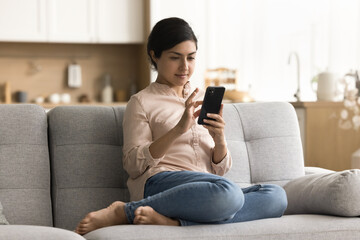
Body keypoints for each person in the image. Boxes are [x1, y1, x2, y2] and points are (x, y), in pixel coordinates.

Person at [75, 17, 287, 235]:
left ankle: (174, 223)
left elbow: (219, 171)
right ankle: (124, 212)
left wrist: (220, 139)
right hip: (162, 182)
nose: (185, 67)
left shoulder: (203, 98)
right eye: (175, 58)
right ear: (155, 55)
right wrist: (178, 130)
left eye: (191, 58)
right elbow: (132, 164)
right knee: (228, 193)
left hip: (206, 189)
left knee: (276, 197)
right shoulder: (141, 102)